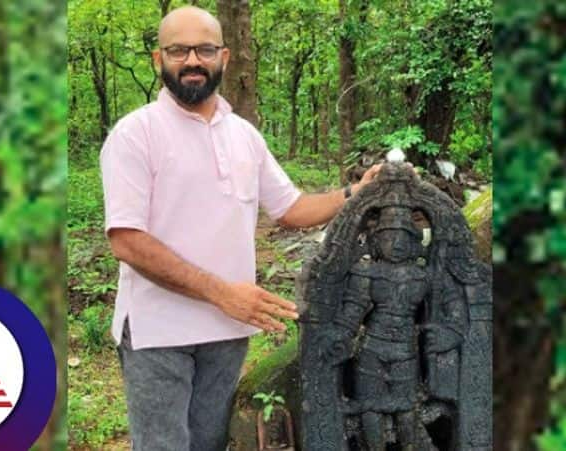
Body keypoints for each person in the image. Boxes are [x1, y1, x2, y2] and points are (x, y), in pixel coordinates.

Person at [99, 6, 380, 451]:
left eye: (205, 49)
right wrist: (224, 293)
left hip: (227, 332)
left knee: (210, 443)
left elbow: (291, 207)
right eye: (178, 50)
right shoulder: (136, 134)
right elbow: (127, 241)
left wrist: (355, 193)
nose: (192, 60)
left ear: (224, 58)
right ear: (158, 59)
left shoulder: (244, 136)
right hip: (158, 333)